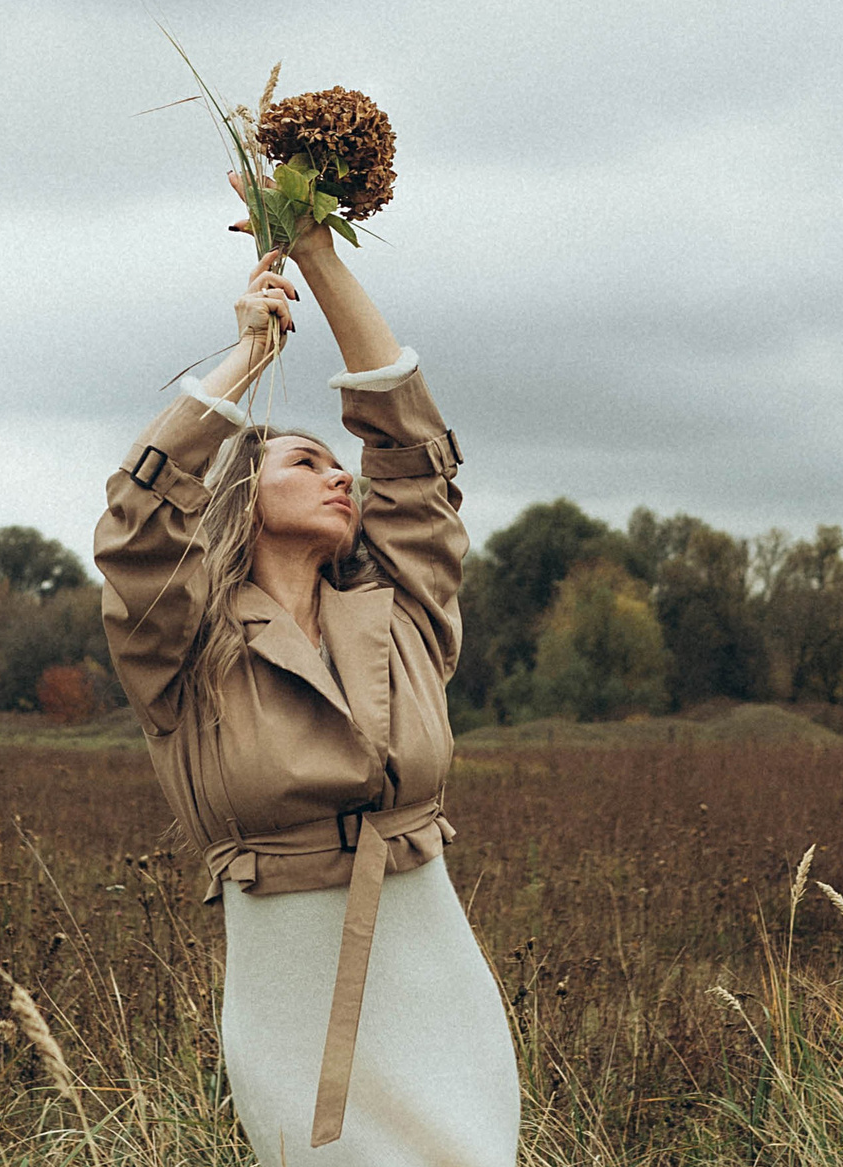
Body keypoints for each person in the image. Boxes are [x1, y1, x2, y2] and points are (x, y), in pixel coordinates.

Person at [93, 196, 520, 1164]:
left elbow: (414, 460)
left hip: (432, 971)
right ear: (244, 494)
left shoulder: (402, 609)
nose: (341, 476)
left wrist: (321, 257)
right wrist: (247, 354)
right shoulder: (183, 650)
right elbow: (136, 521)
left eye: (342, 466)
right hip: (290, 991)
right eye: (305, 457)